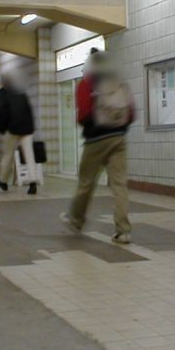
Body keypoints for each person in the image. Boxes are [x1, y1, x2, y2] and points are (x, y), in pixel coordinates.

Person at [61, 49, 134, 244]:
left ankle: (76, 220)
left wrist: (92, 125)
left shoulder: (87, 83)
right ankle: (123, 231)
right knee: (119, 184)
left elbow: (83, 115)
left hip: (96, 140)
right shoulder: (120, 82)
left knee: (86, 182)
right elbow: (132, 114)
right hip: (119, 139)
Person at [0, 74, 38, 195]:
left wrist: (1, 128)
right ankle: (33, 182)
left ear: (3, 83)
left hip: (12, 129)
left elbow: (0, 112)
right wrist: (31, 127)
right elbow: (29, 110)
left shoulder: (2, 94)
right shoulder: (20, 91)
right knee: (29, 155)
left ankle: (2, 181)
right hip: (27, 129)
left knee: (8, 155)